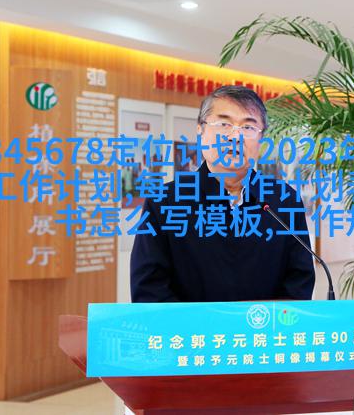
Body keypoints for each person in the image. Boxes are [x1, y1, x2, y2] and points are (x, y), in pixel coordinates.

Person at [130, 85, 315, 302]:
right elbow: (149, 290)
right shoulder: (164, 202)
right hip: (190, 325)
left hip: (264, 325)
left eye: (248, 127)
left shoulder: (284, 200)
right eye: (224, 124)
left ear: (261, 139)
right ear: (201, 130)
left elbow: (299, 282)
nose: (235, 136)